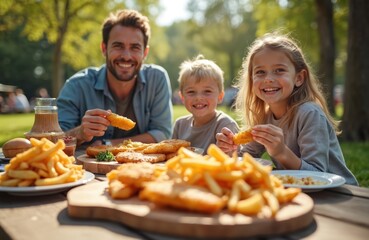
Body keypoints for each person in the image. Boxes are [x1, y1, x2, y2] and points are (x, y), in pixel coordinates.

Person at [216, 33, 358, 185]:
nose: (268, 78)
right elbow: (247, 157)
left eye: (279, 70)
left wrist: (281, 152)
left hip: (336, 194)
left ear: (299, 78)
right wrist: (230, 151)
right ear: (251, 80)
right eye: (260, 72)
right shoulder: (264, 117)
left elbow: (318, 175)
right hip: (297, 191)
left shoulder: (309, 114)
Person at [57, 9, 172, 146]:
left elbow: (162, 133)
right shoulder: (76, 86)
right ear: (104, 48)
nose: (126, 56)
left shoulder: (157, 79)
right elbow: (54, 141)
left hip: (142, 166)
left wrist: (108, 144)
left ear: (145, 52)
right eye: (118, 46)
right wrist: (80, 133)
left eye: (135, 47)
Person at [172, 55, 239, 152]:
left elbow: (234, 159)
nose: (199, 97)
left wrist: (227, 150)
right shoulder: (180, 125)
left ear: (220, 96)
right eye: (191, 92)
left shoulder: (225, 125)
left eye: (207, 91)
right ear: (182, 97)